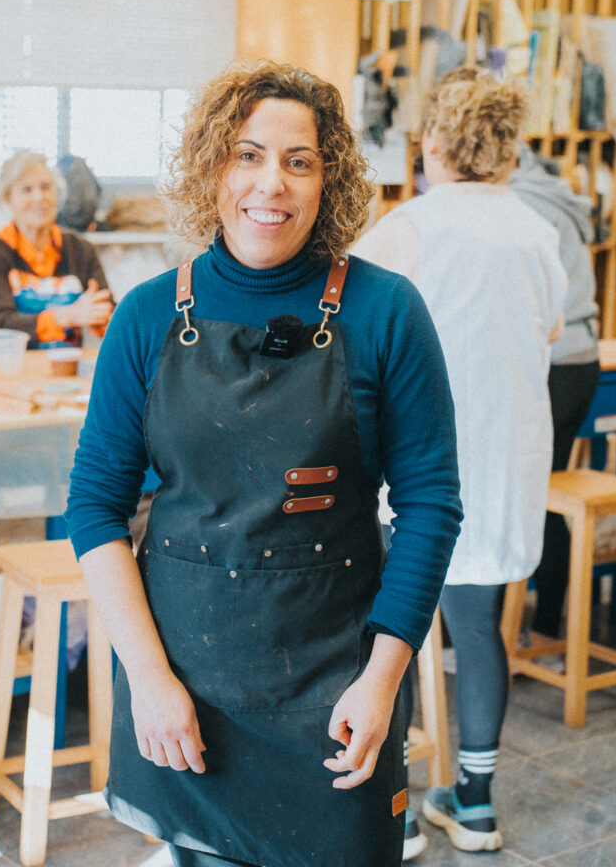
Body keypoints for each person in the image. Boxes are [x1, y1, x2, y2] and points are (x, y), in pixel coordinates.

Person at [64, 59, 462, 867]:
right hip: (185, 687)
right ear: (211, 167)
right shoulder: (146, 316)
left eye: (298, 161)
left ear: (329, 179)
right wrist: (148, 679)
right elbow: (95, 507)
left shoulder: (386, 311)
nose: (269, 184)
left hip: (337, 687)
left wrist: (383, 679)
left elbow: (430, 506)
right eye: (246, 155)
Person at [353, 71, 565, 854]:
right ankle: (475, 803)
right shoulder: (537, 232)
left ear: (434, 142)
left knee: (395, 635)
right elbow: (548, 332)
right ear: (509, 149)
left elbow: (350, 331)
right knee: (479, 630)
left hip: (417, 465)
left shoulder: (407, 227)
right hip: (503, 462)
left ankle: (398, 812)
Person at [512, 143, 602, 652]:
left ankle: (493, 637)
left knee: (526, 496)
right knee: (542, 496)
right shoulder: (553, 194)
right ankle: (542, 631)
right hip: (579, 358)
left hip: (551, 361)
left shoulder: (521, 204)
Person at [0, 150, 112, 347]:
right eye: (27, 190)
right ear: (8, 198)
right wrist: (67, 316)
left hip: (65, 362)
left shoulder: (81, 249)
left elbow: (108, 310)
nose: (39, 197)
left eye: (46, 187)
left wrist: (102, 316)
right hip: (5, 362)